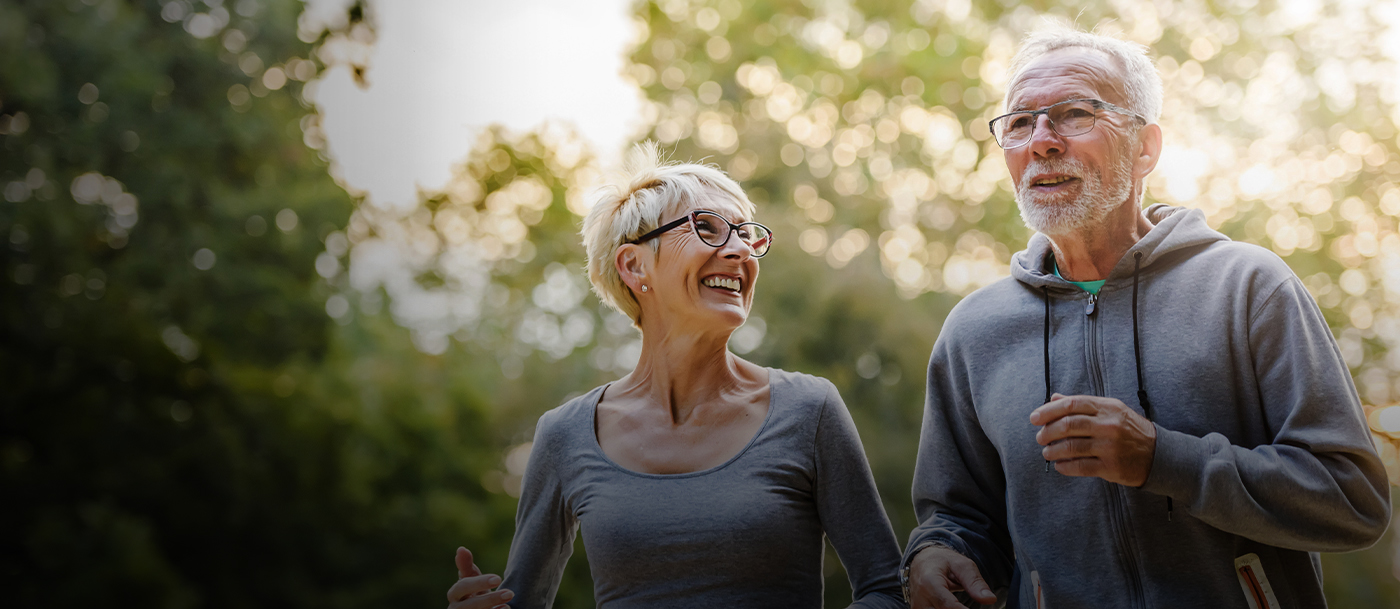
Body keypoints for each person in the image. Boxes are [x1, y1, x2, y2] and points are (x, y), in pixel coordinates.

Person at [902, 26, 1392, 608]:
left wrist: (1162, 460)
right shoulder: (974, 330)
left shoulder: (1248, 287)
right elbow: (957, 515)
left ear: (1145, 148)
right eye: (1019, 123)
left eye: (1074, 114)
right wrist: (935, 552)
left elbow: (1353, 500)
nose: (1042, 142)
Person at [447, 143, 906, 609]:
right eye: (707, 228)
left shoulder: (809, 410)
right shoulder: (564, 434)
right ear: (634, 266)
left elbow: (888, 592)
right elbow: (520, 601)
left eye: (747, 236)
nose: (739, 251)